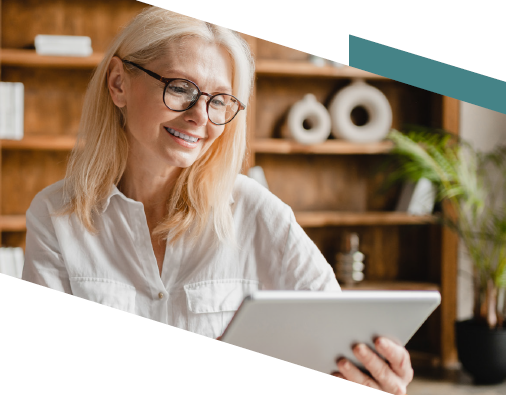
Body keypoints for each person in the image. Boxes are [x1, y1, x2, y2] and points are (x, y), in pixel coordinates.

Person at [22, 7, 412, 395]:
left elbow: (340, 337)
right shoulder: (56, 216)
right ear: (119, 83)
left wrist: (374, 370)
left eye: (220, 100)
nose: (200, 116)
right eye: (179, 88)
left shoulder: (256, 210)